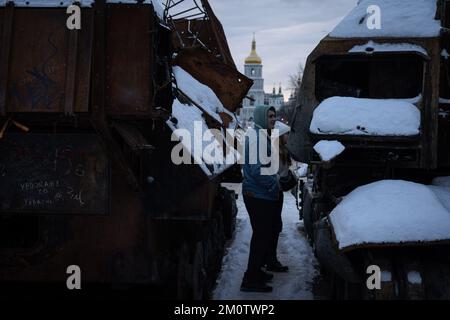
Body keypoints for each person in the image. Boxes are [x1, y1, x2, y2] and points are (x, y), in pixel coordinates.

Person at [240, 106, 279, 293]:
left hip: (259, 194)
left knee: (262, 236)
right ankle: (250, 278)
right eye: (270, 116)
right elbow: (257, 170)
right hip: (257, 195)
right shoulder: (257, 138)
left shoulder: (260, 135)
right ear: (262, 117)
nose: (273, 119)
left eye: (274, 116)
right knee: (260, 237)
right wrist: (274, 185)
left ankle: (257, 272)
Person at [263, 129, 291, 272]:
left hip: (278, 193)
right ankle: (270, 260)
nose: (288, 136)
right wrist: (283, 180)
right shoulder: (274, 152)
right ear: (280, 137)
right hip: (272, 193)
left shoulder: (284, 150)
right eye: (286, 134)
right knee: (273, 227)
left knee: (275, 226)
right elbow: (271, 173)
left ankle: (270, 259)